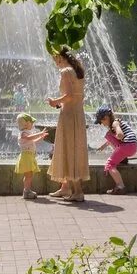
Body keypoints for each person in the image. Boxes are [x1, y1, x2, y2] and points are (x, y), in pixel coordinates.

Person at [46, 47, 89, 202]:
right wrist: (60, 103)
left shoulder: (66, 72)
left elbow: (69, 96)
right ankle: (68, 188)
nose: (55, 63)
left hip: (69, 115)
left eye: (55, 59)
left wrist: (54, 102)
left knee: (69, 150)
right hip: (78, 113)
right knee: (74, 149)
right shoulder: (77, 71)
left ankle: (78, 191)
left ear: (60, 57)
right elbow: (77, 95)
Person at [95, 106, 137, 195]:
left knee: (110, 164)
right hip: (132, 146)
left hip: (126, 146)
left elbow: (120, 135)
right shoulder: (115, 123)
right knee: (109, 135)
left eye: (101, 121)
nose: (102, 124)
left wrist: (118, 135)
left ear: (106, 118)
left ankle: (120, 186)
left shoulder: (115, 124)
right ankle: (123, 158)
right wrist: (103, 146)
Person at [14, 113, 49, 199]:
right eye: (31, 122)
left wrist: (41, 137)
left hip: (29, 156)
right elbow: (30, 138)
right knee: (28, 175)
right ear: (25, 124)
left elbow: (33, 141)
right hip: (26, 157)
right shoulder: (23, 133)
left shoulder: (26, 133)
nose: (33, 124)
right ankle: (26, 191)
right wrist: (40, 133)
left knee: (29, 175)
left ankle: (27, 190)